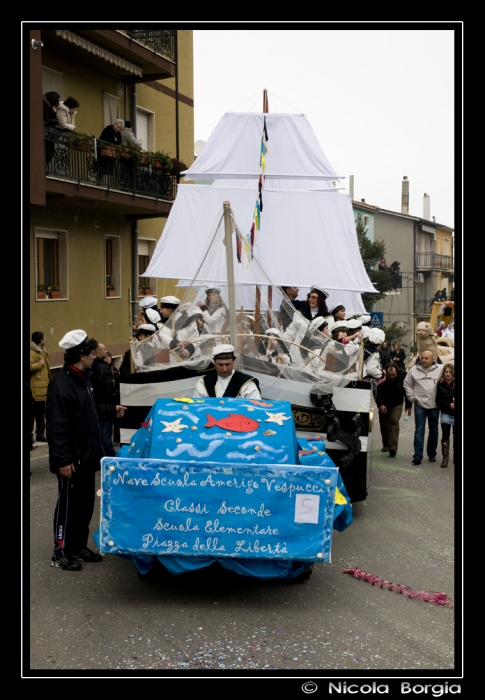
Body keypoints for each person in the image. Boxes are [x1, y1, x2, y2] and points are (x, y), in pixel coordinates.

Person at [46, 330, 126, 571]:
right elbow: (57, 427)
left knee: (85, 506)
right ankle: (60, 551)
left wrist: (111, 410)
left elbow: (88, 412)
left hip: (88, 457)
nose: (95, 357)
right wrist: (63, 459)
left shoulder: (85, 378)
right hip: (71, 460)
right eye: (92, 354)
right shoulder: (61, 385)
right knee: (68, 507)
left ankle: (77, 546)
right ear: (81, 355)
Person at [404, 350, 443, 465]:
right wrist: (412, 398)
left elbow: (448, 380)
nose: (423, 360)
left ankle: (432, 454)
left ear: (432, 359)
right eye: (422, 358)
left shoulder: (440, 369)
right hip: (419, 404)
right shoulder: (414, 370)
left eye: (426, 358)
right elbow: (407, 384)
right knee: (419, 430)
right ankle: (418, 456)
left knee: (434, 430)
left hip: (434, 405)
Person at [193, 344, 261, 399]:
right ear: (214, 362)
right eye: (220, 365)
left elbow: (255, 407)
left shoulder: (247, 384)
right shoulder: (203, 383)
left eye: (228, 364)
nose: (224, 369)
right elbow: (197, 407)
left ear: (233, 362)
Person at [376, 362, 412, 457]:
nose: (391, 377)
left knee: (394, 421)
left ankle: (393, 447)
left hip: (397, 403)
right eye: (389, 375)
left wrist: (408, 405)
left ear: (397, 372)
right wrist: (381, 404)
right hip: (384, 403)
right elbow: (377, 392)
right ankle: (386, 444)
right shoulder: (381, 376)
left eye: (393, 375)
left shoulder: (404, 375)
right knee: (384, 425)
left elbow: (408, 391)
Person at [90, 343, 118, 456]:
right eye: (104, 349)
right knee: (105, 435)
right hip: (104, 406)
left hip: (97, 405)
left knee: (100, 433)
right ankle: (111, 457)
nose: (106, 351)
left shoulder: (93, 366)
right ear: (98, 352)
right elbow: (110, 388)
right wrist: (114, 405)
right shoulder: (102, 367)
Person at [30, 331, 52, 445]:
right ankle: (31, 436)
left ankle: (40, 434)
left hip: (43, 386)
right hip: (36, 388)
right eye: (44, 338)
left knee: (41, 413)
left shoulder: (42, 352)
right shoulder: (32, 353)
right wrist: (39, 364)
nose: (45, 340)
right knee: (33, 413)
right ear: (40, 340)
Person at [436, 364, 455, 468]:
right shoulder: (440, 384)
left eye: (450, 372)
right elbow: (438, 400)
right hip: (446, 413)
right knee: (445, 435)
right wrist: (448, 404)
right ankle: (445, 458)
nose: (448, 374)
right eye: (446, 372)